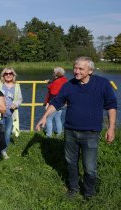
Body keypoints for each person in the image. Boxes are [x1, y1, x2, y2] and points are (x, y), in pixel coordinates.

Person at [36, 57, 117, 200]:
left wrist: (111, 128)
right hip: (71, 131)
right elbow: (57, 102)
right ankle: (73, 188)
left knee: (90, 167)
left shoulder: (102, 84)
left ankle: (89, 193)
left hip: (91, 133)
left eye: (81, 69)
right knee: (70, 162)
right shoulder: (69, 85)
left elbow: (111, 106)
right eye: (75, 68)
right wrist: (44, 117)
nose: (76, 71)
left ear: (90, 71)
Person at [0, 68, 23, 159]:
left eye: (10, 73)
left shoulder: (17, 86)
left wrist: (15, 104)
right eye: (6, 73)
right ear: (3, 75)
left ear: (13, 75)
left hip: (10, 114)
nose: (8, 75)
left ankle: (3, 151)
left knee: (8, 132)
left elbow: (20, 99)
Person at [43, 67, 68, 138]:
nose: (53, 73)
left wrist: (48, 104)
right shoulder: (64, 80)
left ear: (56, 74)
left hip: (55, 103)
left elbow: (53, 95)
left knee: (48, 118)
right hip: (62, 103)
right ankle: (59, 133)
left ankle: (48, 135)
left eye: (53, 72)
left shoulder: (56, 82)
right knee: (57, 117)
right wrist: (50, 81)